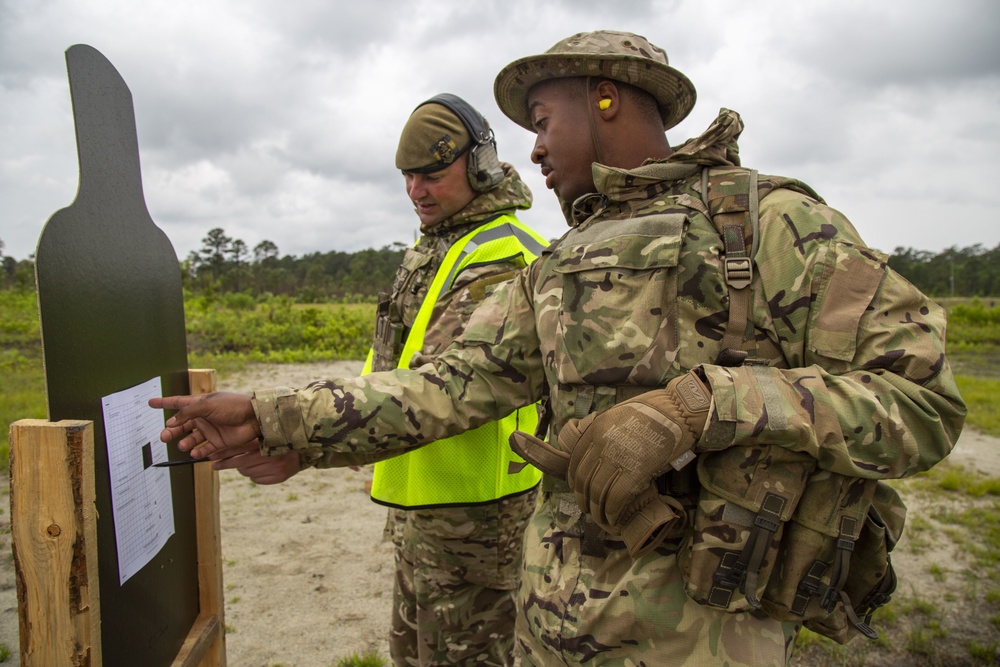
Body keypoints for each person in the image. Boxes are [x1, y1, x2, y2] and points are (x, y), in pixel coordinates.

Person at [153, 30, 966, 666]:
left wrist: (703, 405)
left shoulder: (771, 225)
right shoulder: (560, 265)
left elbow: (923, 402)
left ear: (607, 100)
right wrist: (271, 417)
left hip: (703, 638)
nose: (532, 150)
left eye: (542, 123)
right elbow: (442, 388)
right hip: (545, 629)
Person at [213, 94, 547, 666]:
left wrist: (282, 427)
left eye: (433, 175)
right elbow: (384, 373)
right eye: (408, 177)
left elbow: (432, 395)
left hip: (477, 525)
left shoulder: (500, 260)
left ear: (482, 166)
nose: (417, 191)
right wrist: (307, 452)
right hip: (425, 513)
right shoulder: (438, 247)